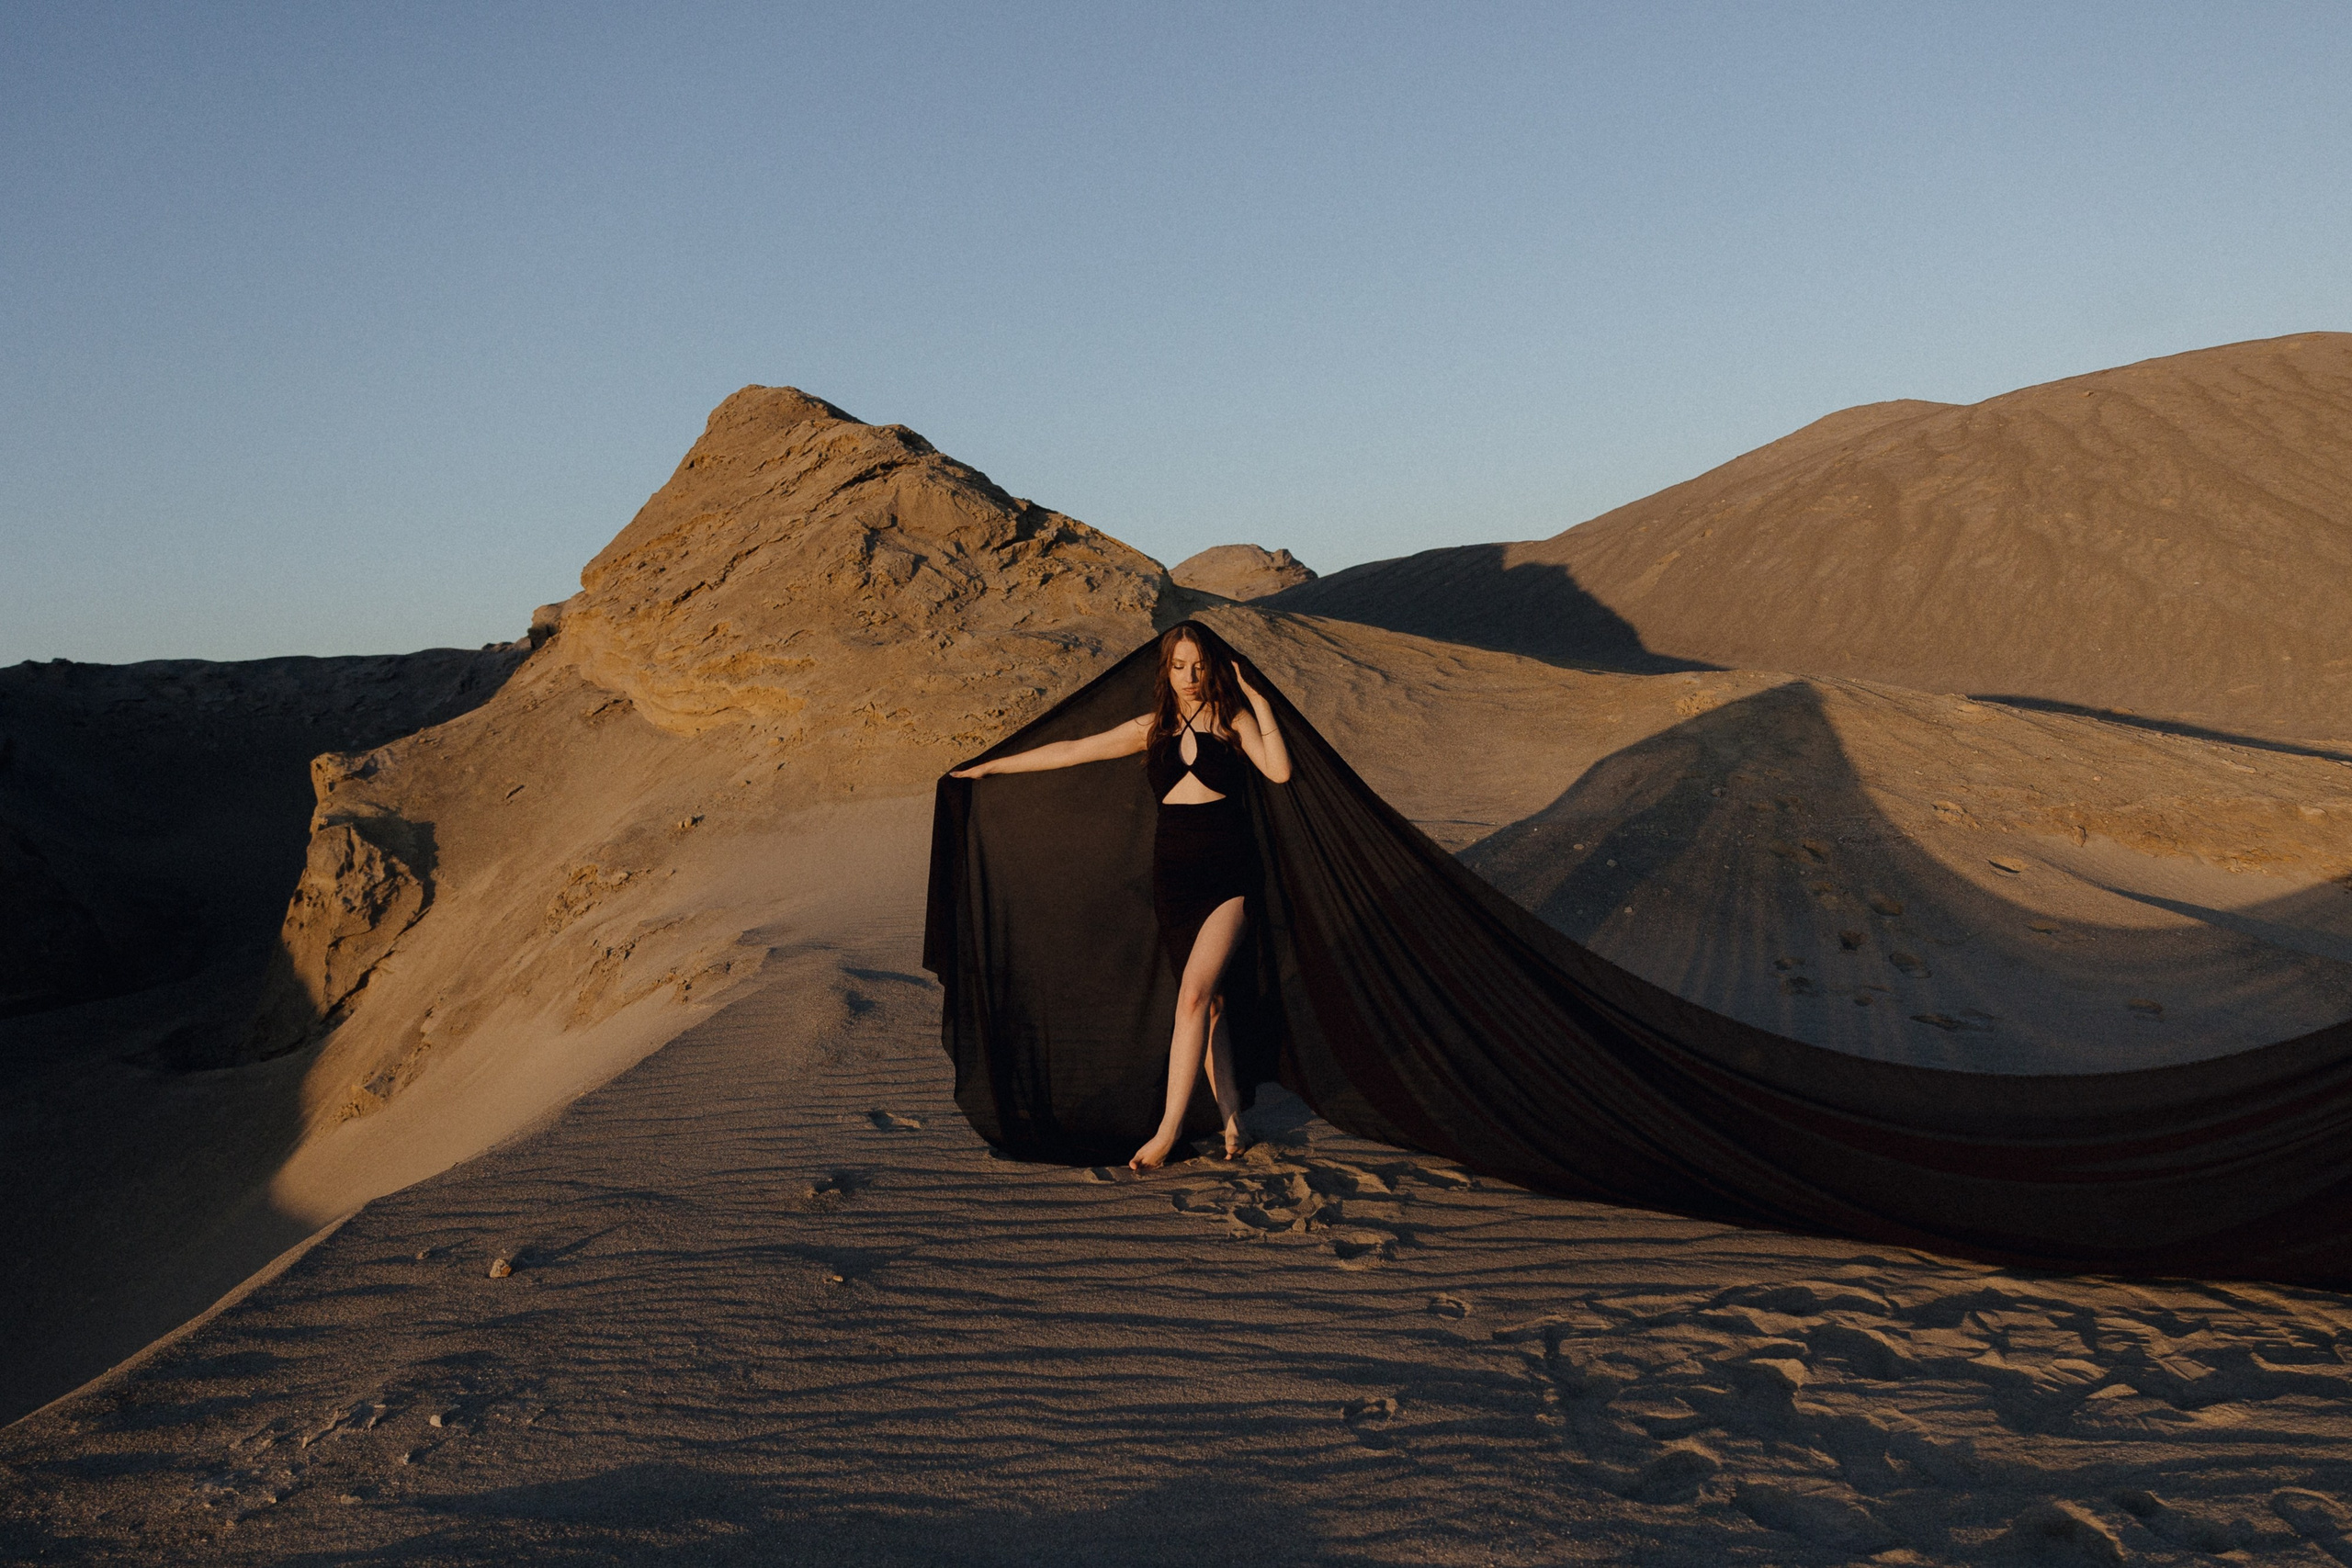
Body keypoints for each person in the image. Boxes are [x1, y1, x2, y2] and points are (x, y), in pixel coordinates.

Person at [951, 624, 1293, 1169]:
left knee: (1193, 998)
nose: (1189, 676)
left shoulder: (1233, 720)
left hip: (1229, 875)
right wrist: (994, 765)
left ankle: (1166, 1130)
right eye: (1179, 666)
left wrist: (1259, 701)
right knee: (1211, 1004)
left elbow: (1279, 771)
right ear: (1166, 669)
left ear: (1215, 666)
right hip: (1173, 880)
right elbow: (1072, 751)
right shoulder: (1151, 728)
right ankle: (1234, 1118)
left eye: (1199, 665)